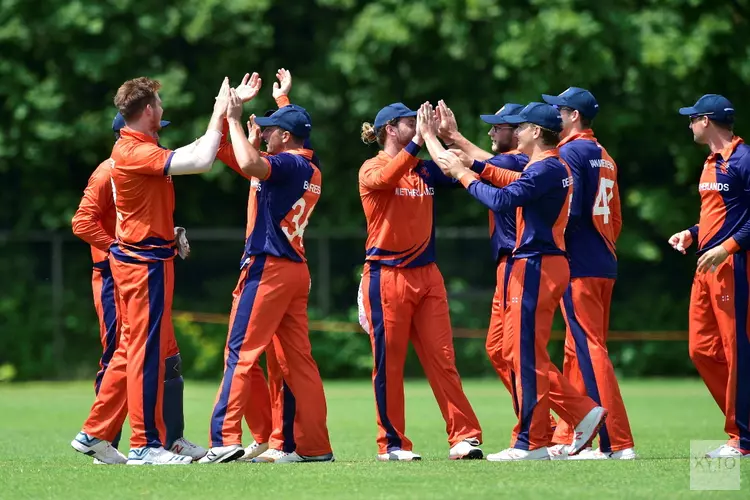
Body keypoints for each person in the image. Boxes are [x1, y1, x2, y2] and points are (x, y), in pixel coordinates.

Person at [431, 102, 607, 461]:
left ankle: (531, 443)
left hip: (536, 264)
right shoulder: (546, 165)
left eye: (523, 127)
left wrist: (462, 174)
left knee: (524, 354)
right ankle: (574, 416)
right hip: (542, 263)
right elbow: (509, 181)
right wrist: (473, 166)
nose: (517, 132)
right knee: (517, 352)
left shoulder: (545, 167)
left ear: (536, 132)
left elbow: (501, 198)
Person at [71, 76, 230, 465]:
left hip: (147, 259)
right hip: (142, 263)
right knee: (144, 351)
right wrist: (218, 110)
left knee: (134, 349)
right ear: (147, 110)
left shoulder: (143, 147)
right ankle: (144, 444)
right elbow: (202, 160)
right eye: (159, 104)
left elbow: (194, 152)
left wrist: (227, 116)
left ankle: (95, 432)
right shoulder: (130, 151)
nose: (163, 110)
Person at [201, 79, 333, 464]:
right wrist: (273, 105)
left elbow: (246, 161)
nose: (266, 132)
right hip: (294, 270)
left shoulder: (287, 163)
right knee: (299, 362)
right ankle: (314, 447)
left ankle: (224, 438)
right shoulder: (307, 165)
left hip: (269, 268)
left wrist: (236, 118)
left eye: (273, 129)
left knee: (239, 353)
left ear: (286, 136)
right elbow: (232, 154)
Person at [357, 102, 483, 461]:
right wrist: (419, 143)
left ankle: (464, 437)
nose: (417, 124)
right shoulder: (371, 167)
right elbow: (386, 179)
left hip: (428, 276)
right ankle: (392, 444)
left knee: (443, 359)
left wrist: (441, 136)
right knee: (389, 363)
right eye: (409, 122)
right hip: (386, 276)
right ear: (389, 130)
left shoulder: (424, 170)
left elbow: (459, 168)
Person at [539, 87, 635, 460]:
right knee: (575, 350)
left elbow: (571, 209)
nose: (554, 118)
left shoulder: (570, 152)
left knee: (590, 349)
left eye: (558, 112)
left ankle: (617, 441)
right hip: (604, 261)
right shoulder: (604, 155)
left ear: (573, 116)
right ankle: (570, 437)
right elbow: (617, 218)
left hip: (578, 263)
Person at [669, 94, 750, 458]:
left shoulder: (744, 159)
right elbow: (719, 216)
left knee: (738, 353)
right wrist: (693, 233)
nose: (689, 125)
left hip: (733, 266)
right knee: (701, 349)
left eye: (692, 119)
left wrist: (728, 247)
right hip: (708, 266)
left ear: (707, 121)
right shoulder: (710, 163)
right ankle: (739, 428)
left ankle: (744, 439)